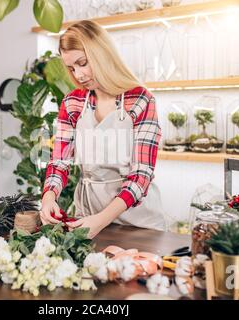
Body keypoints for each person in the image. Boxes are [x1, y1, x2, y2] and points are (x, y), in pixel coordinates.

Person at [40, 20, 165, 239]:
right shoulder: (72, 103)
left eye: (83, 63)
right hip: (87, 216)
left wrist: (100, 220)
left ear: (101, 54)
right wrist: (49, 197)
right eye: (71, 68)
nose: (78, 75)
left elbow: (141, 175)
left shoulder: (140, 100)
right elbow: (60, 160)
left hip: (138, 222)